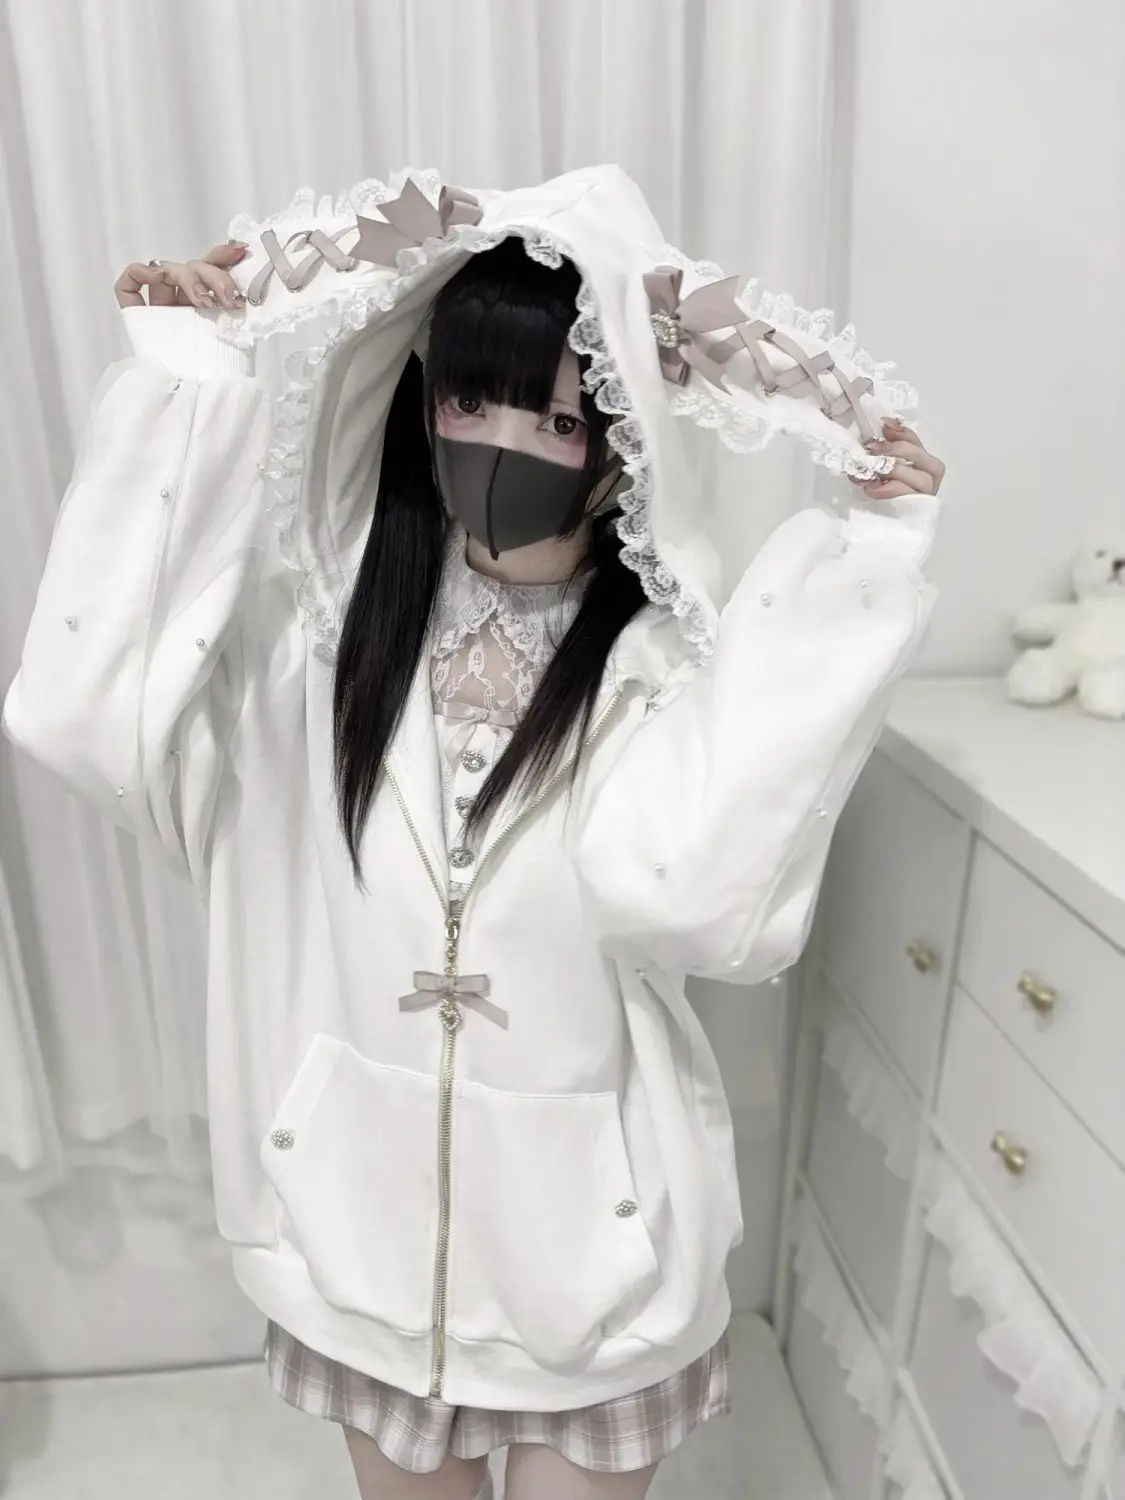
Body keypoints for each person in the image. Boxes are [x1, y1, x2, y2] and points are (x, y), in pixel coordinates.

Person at [4, 166, 945, 1500]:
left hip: (596, 1268)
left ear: (616, 439)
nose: (503, 443)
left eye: (556, 416)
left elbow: (702, 902)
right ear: (417, 399)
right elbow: (93, 711)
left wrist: (869, 558)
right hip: (365, 1247)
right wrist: (186, 379)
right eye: (469, 400)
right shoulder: (315, 652)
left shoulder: (666, 675)